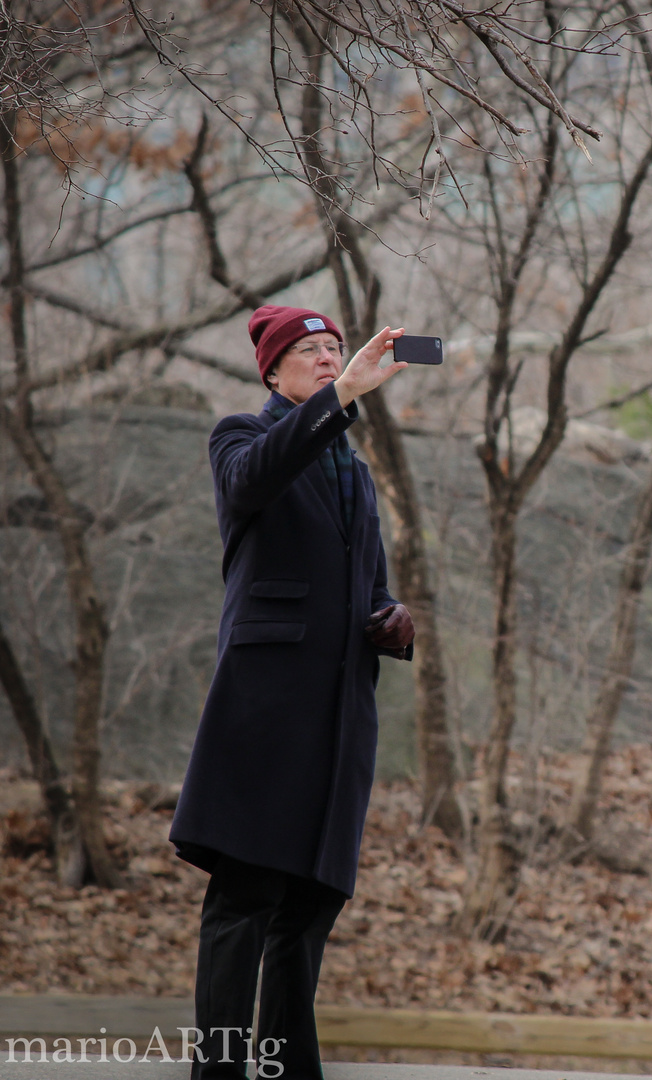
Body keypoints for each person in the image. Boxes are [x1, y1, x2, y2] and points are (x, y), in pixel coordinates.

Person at [170, 305, 416, 1080]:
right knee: (246, 892)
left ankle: (286, 1069)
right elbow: (254, 482)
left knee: (310, 903)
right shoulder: (238, 438)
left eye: (334, 348)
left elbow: (364, 581)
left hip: (340, 710)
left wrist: (389, 616)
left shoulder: (356, 469)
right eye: (309, 350)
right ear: (271, 372)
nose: (326, 356)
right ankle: (219, 1069)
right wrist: (337, 394)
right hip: (266, 703)